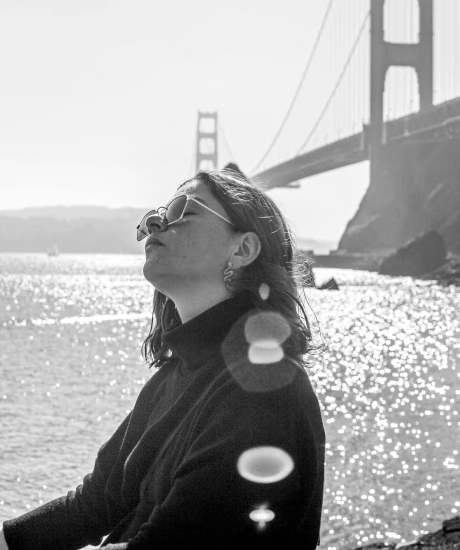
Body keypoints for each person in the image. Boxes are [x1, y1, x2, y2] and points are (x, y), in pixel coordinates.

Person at [1, 168, 325, 549]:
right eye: (157, 213)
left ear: (242, 249)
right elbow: (94, 504)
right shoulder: (173, 378)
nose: (155, 222)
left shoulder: (263, 389)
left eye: (182, 210)